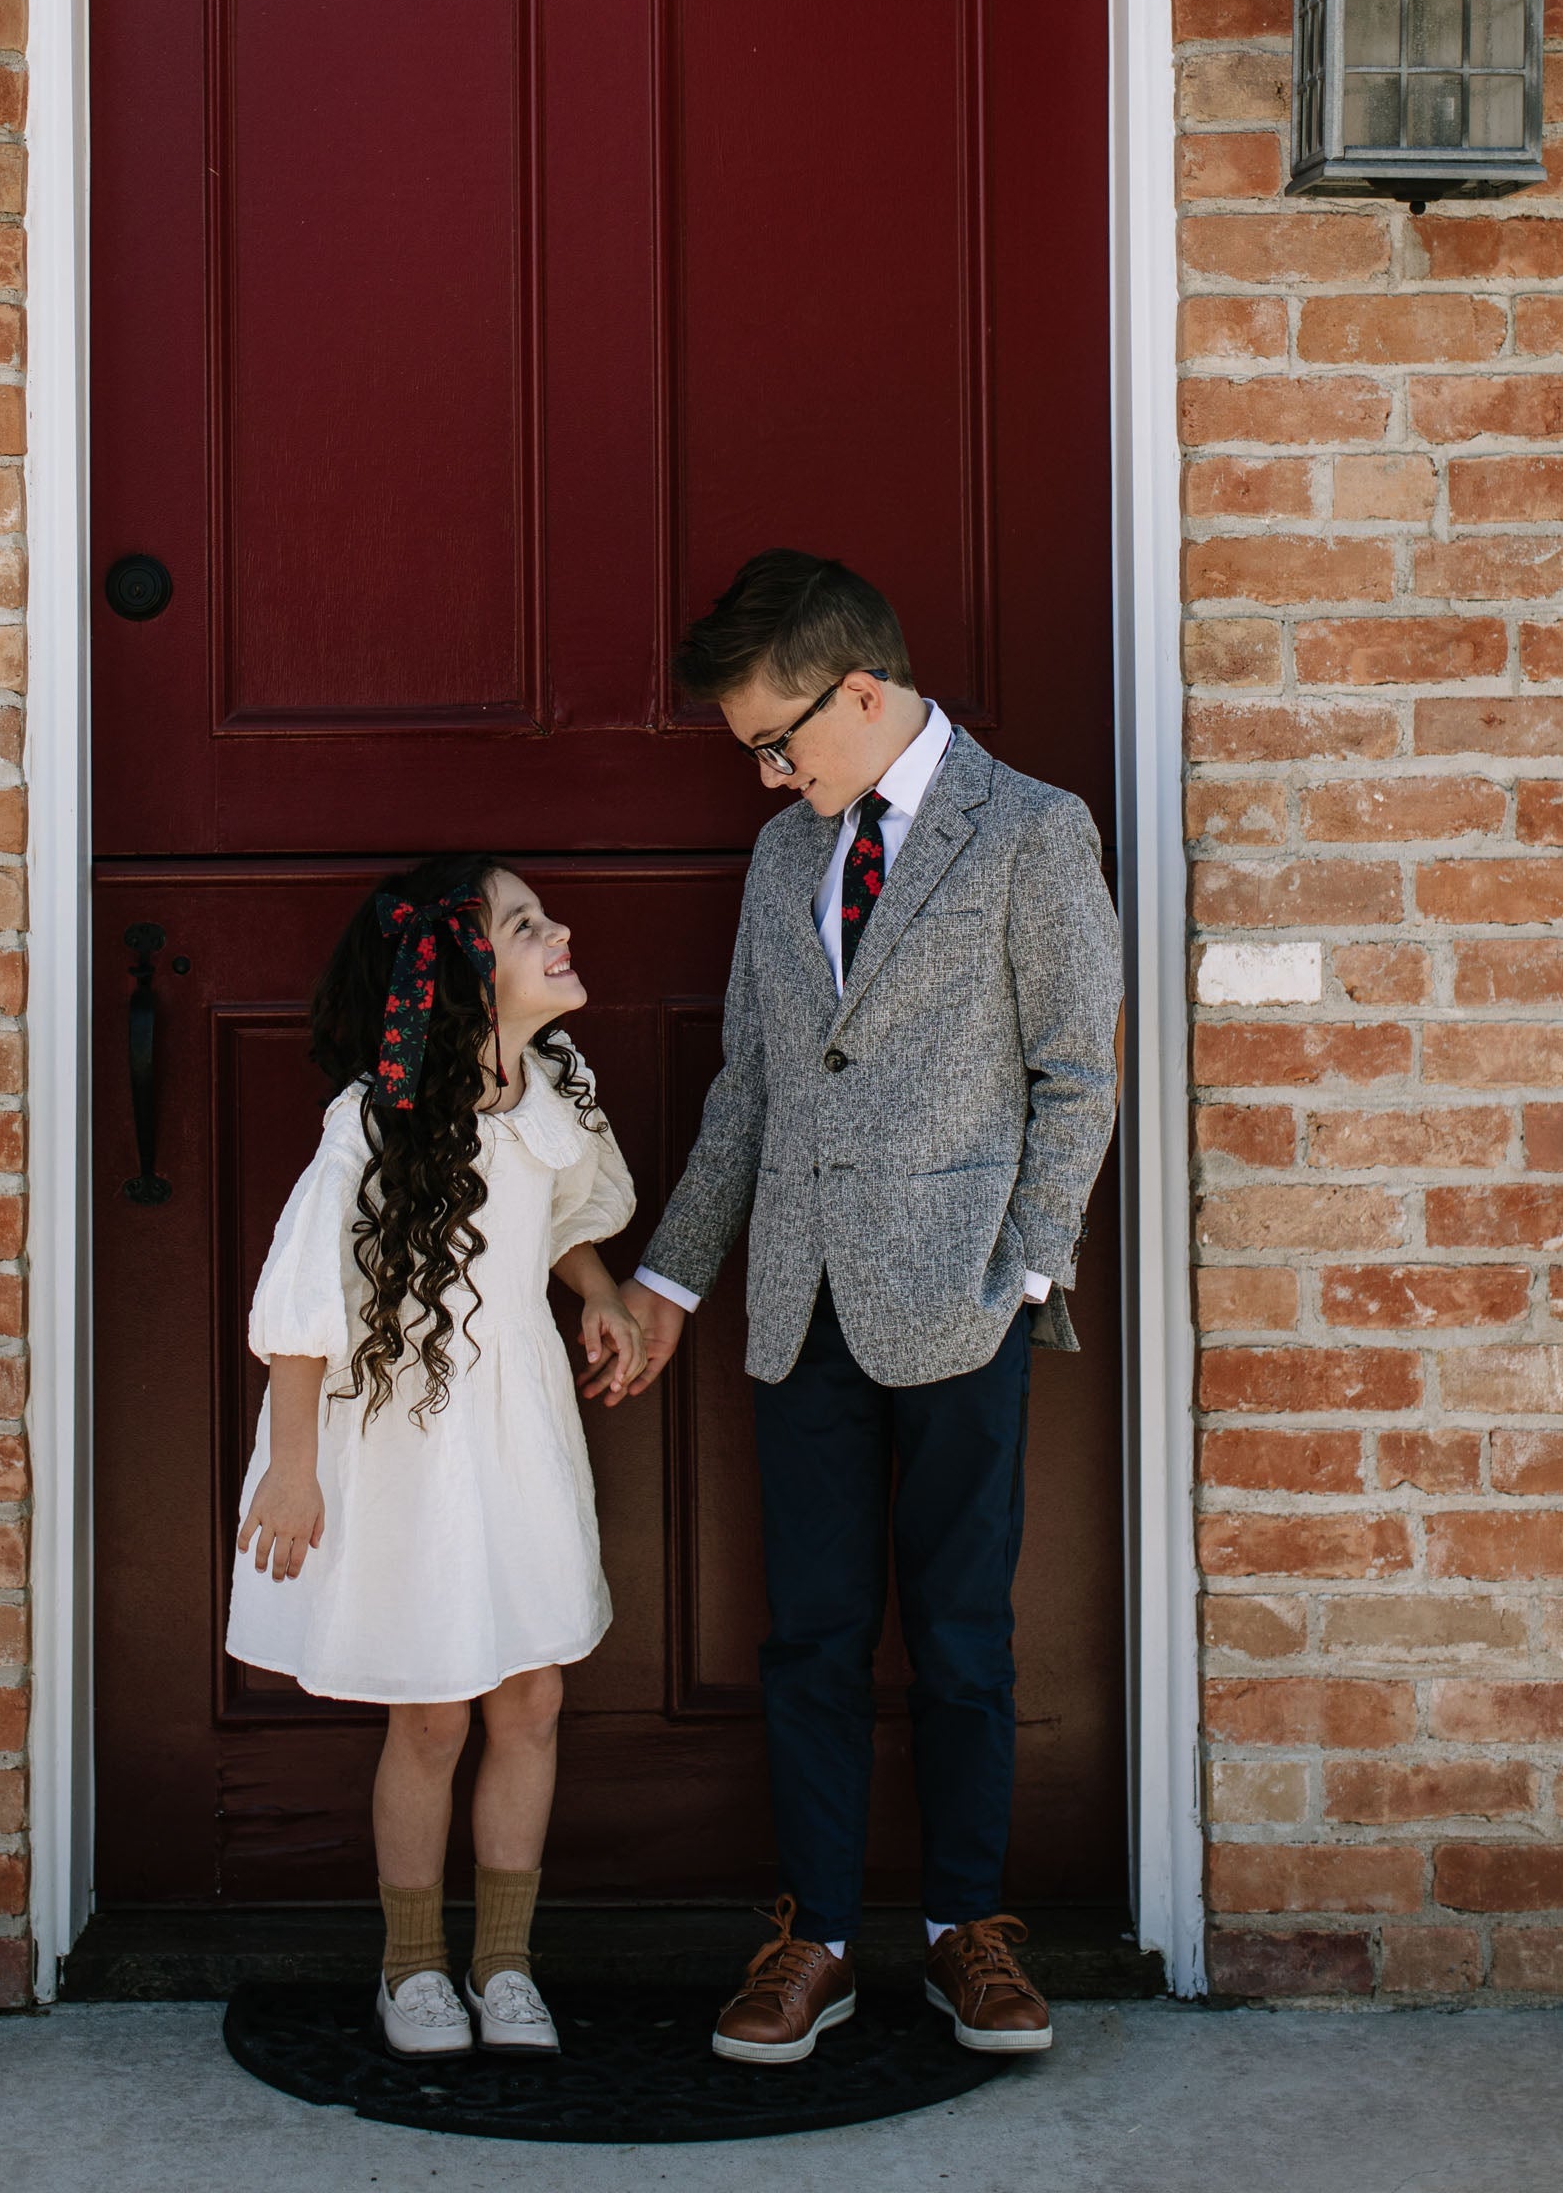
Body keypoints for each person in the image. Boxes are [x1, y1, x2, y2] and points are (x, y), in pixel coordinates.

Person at [619, 551, 1121, 2065]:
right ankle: (820, 1936)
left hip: (963, 1298)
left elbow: (1076, 1073)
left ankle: (970, 1927)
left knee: (963, 1631)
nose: (770, 775)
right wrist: (668, 1278)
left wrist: (1028, 1265)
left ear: (862, 690)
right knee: (812, 1634)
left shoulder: (1032, 831)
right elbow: (753, 1088)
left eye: (782, 742)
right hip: (798, 1302)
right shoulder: (788, 859)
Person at [227, 855, 643, 2058]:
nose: (557, 930)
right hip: (404, 1435)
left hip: (516, 1430)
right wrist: (293, 1470)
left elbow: (558, 1208)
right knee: (429, 1715)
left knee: (532, 1693)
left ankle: (502, 1962)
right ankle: (412, 1968)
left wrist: (598, 1292)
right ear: (464, 978)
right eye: (524, 926)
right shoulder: (373, 1119)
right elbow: (302, 1304)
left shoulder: (551, 1083)